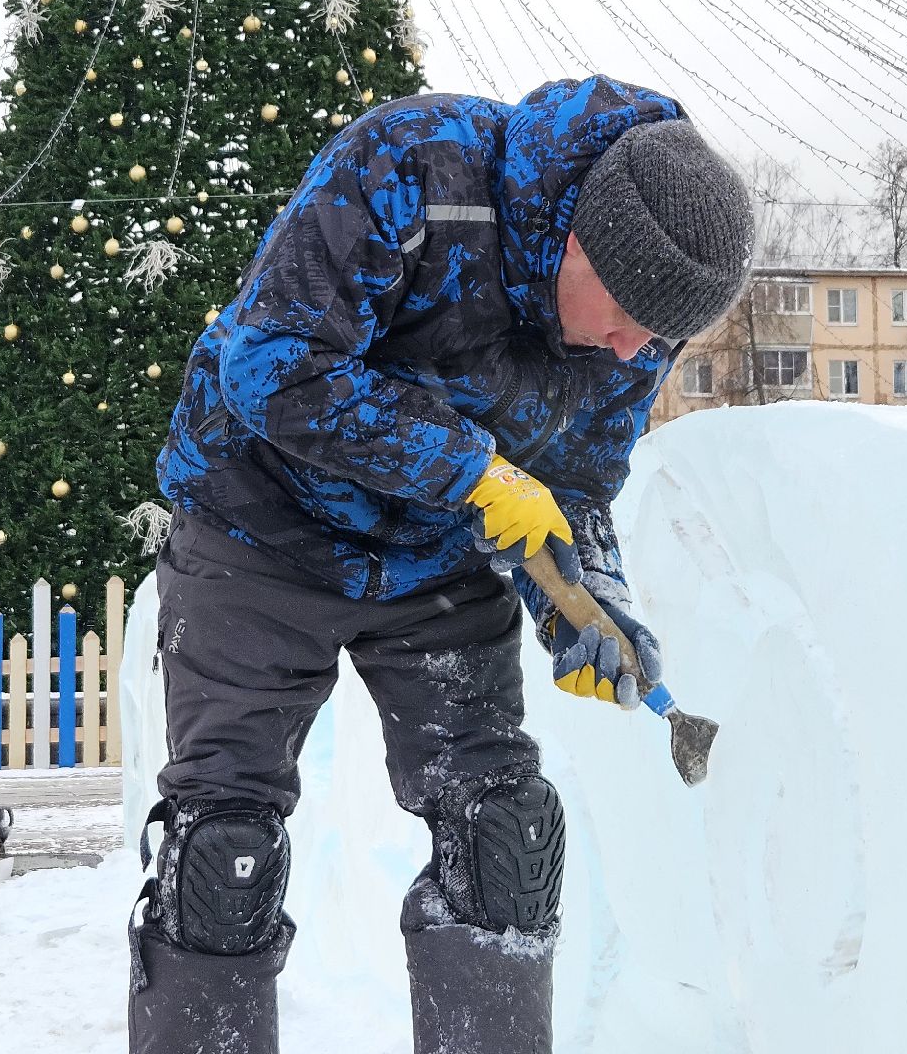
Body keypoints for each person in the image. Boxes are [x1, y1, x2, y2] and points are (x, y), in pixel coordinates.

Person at [131, 75, 755, 1054]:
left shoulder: (635, 333)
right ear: (578, 240)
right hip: (258, 525)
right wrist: (469, 469)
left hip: (435, 560)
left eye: (662, 336)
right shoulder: (418, 166)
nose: (634, 349)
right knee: (223, 853)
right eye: (630, 315)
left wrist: (587, 602)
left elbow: (575, 484)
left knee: (506, 838)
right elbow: (271, 364)